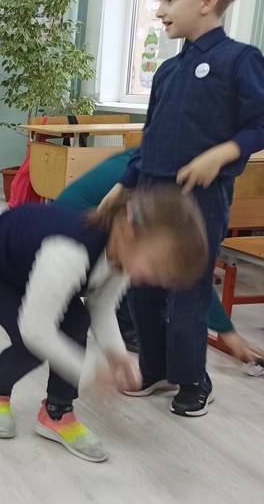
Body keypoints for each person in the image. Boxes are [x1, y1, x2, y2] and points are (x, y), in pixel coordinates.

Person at [99, 0, 264, 416]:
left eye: (170, 0)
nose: (159, 11)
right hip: (149, 194)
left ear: (208, 1)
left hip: (199, 199)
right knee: (143, 285)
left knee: (188, 287)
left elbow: (259, 124)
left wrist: (223, 152)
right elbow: (150, 137)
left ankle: (193, 378)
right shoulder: (168, 70)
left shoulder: (240, 59)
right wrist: (124, 185)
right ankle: (156, 369)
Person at [0, 187, 208, 462]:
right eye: (155, 266)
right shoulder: (71, 253)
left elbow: (101, 305)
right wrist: (91, 372)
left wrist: (116, 355)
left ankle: (57, 412)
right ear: (127, 233)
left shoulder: (123, 253)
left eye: (164, 275)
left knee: (78, 319)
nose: (156, 279)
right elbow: (35, 329)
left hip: (32, 267)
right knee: (30, 345)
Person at [57, 149, 264, 364]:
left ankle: (127, 328)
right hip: (69, 243)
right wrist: (227, 332)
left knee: (131, 281)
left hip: (92, 244)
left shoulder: (158, 162)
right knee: (76, 321)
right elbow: (177, 263)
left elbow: (179, 265)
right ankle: (126, 325)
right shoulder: (153, 184)